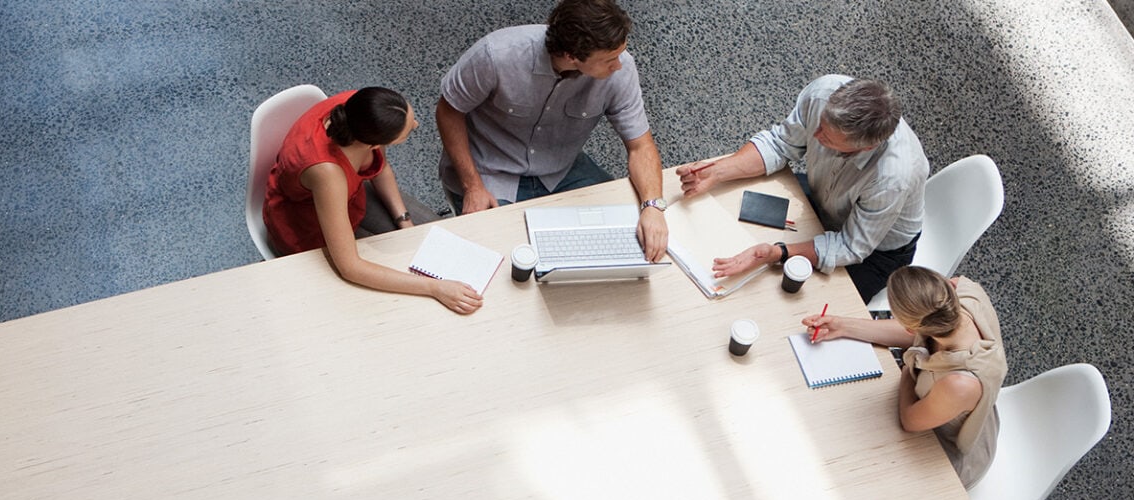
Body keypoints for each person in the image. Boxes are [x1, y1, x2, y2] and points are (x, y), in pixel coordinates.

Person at [435, 0, 668, 261]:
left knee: (625, 227)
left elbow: (640, 145)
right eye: (609, 60)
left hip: (561, 169)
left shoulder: (621, 69)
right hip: (490, 170)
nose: (619, 66)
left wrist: (653, 206)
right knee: (498, 257)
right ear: (571, 56)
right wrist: (472, 186)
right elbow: (449, 110)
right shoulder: (496, 54)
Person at [677, 75, 929, 303]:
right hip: (824, 199)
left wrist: (779, 252)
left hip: (874, 250)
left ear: (864, 148)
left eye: (827, 138)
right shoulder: (823, 93)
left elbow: (851, 246)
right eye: (820, 125)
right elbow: (780, 144)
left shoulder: (894, 177)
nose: (815, 135)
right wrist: (718, 171)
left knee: (790, 304)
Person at [264, 87, 482, 315]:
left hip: (349, 194)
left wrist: (404, 221)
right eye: (407, 131)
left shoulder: (361, 109)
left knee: (423, 235)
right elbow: (350, 267)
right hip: (306, 225)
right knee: (390, 297)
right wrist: (435, 287)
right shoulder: (327, 172)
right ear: (373, 145)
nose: (416, 124)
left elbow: (380, 167)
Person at [803, 266, 1006, 488]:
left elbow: (910, 420)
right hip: (943, 405)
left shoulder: (959, 383)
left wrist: (910, 367)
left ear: (910, 327)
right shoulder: (959, 292)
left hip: (945, 449)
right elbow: (922, 333)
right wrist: (842, 326)